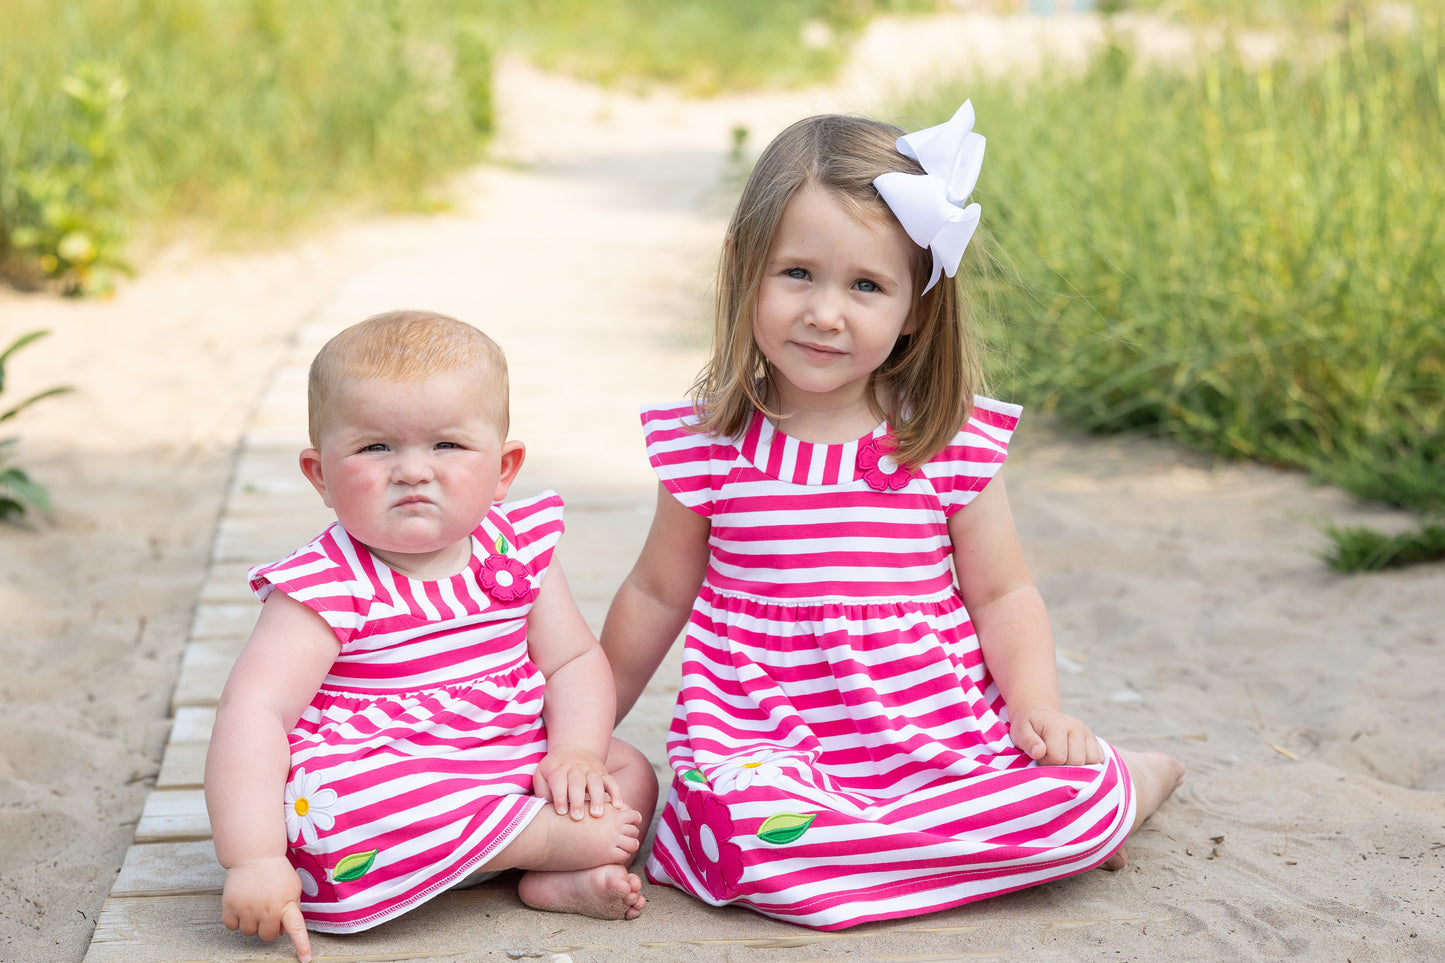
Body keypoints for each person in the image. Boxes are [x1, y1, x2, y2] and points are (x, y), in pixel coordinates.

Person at [600, 103, 1184, 929]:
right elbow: (655, 595)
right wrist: (583, 732)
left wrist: (1035, 704)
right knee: (735, 837)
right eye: (796, 272)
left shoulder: (943, 439)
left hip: (930, 742)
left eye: (866, 285)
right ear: (743, 269)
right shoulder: (710, 445)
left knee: (1070, 799)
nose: (825, 312)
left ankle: (1131, 783)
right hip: (767, 746)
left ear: (915, 305)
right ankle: (965, 851)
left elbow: (1001, 594)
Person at [205, 310, 657, 963]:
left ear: (503, 468)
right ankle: (543, 842)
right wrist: (251, 857)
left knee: (626, 769)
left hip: (503, 754)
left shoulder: (517, 548)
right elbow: (254, 711)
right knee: (343, 801)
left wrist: (577, 753)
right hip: (388, 773)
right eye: (374, 447)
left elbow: (573, 660)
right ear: (320, 475)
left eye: (446, 445)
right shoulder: (328, 584)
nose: (413, 470)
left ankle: (549, 874)